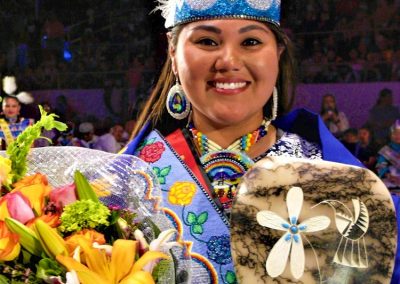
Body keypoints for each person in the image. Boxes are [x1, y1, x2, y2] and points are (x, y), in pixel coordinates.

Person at [123, 1, 399, 283]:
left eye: (251, 41)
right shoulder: (123, 182)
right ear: (172, 49)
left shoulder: (337, 180)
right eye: (207, 41)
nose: (229, 61)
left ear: (278, 54)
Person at [0, 76, 34, 150]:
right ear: (3, 108)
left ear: (19, 108)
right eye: (7, 106)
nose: (10, 109)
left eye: (14, 106)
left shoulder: (27, 123)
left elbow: (31, 147)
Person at [376, 120, 400, 190]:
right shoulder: (386, 150)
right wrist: (389, 176)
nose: (397, 136)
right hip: (391, 184)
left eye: (399, 133)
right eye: (395, 133)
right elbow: (380, 166)